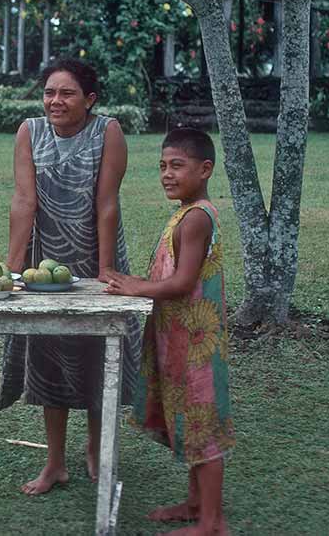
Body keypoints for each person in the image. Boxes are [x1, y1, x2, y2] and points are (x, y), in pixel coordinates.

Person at [0, 58, 142, 495]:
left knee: (101, 354)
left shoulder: (108, 132)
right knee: (49, 357)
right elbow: (24, 201)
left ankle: (95, 452)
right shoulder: (30, 131)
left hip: (98, 256)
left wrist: (104, 273)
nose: (55, 101)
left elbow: (107, 204)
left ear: (90, 99)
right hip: (46, 264)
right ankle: (55, 462)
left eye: (67, 93)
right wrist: (13, 269)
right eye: (49, 92)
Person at [105, 128, 235, 536]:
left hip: (198, 343)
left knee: (203, 426)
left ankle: (212, 522)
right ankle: (196, 502)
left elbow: (182, 283)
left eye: (177, 165)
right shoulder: (185, 211)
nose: (167, 174)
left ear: (205, 169)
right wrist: (137, 282)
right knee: (190, 421)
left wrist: (136, 286)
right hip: (178, 337)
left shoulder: (196, 217)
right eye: (162, 166)